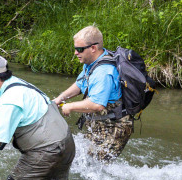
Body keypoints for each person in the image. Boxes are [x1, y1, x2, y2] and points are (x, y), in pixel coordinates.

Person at [52, 25, 133, 162]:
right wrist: (60, 98)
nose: (76, 53)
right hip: (99, 123)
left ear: (93, 48)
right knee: (79, 160)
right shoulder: (91, 63)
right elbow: (79, 85)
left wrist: (70, 106)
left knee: (94, 166)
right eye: (75, 49)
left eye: (79, 49)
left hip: (114, 127)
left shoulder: (104, 72)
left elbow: (97, 105)